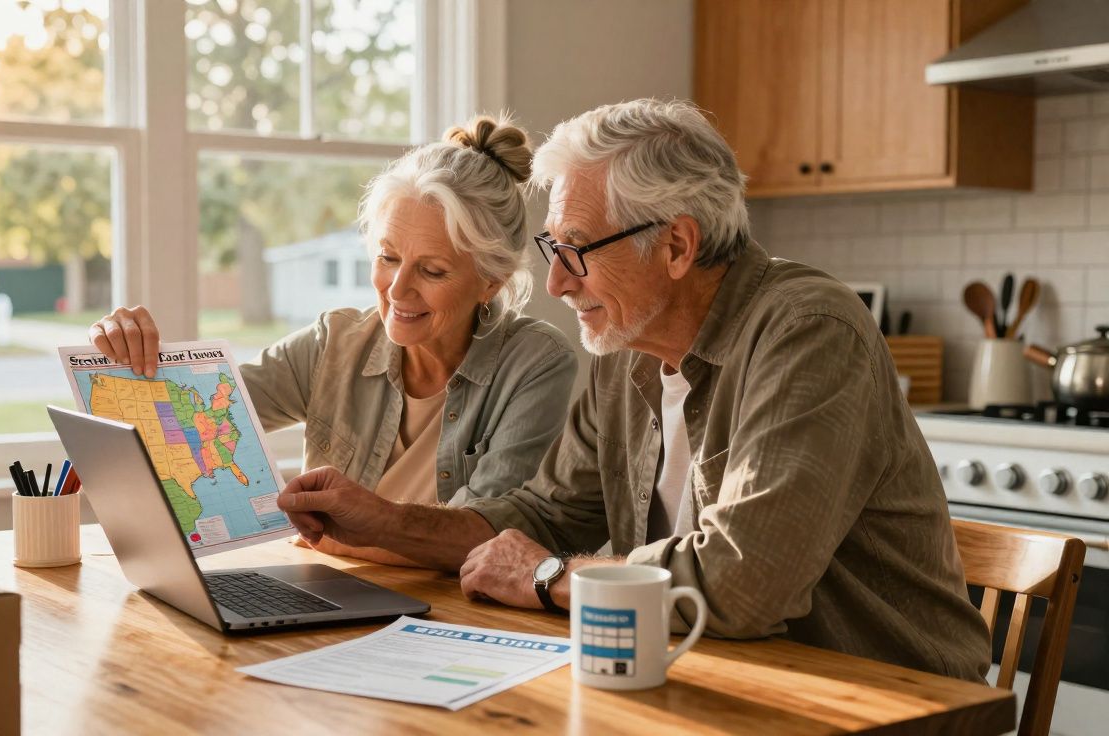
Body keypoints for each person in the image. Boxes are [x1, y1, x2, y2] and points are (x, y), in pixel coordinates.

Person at [276, 99, 992, 681]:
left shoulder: (807, 329)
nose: (556, 283)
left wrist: (553, 576)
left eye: (577, 251)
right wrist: (382, 522)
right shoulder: (626, 352)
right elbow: (544, 513)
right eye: (552, 251)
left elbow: (743, 583)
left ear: (677, 246)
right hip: (723, 679)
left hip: (880, 701)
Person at [89, 115, 577, 565]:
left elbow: (490, 537)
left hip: (453, 619)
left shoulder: (535, 363)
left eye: (432, 270)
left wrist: (352, 533)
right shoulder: (336, 342)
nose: (398, 289)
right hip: (330, 595)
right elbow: (184, 421)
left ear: (490, 280)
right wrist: (123, 357)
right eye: (387, 257)